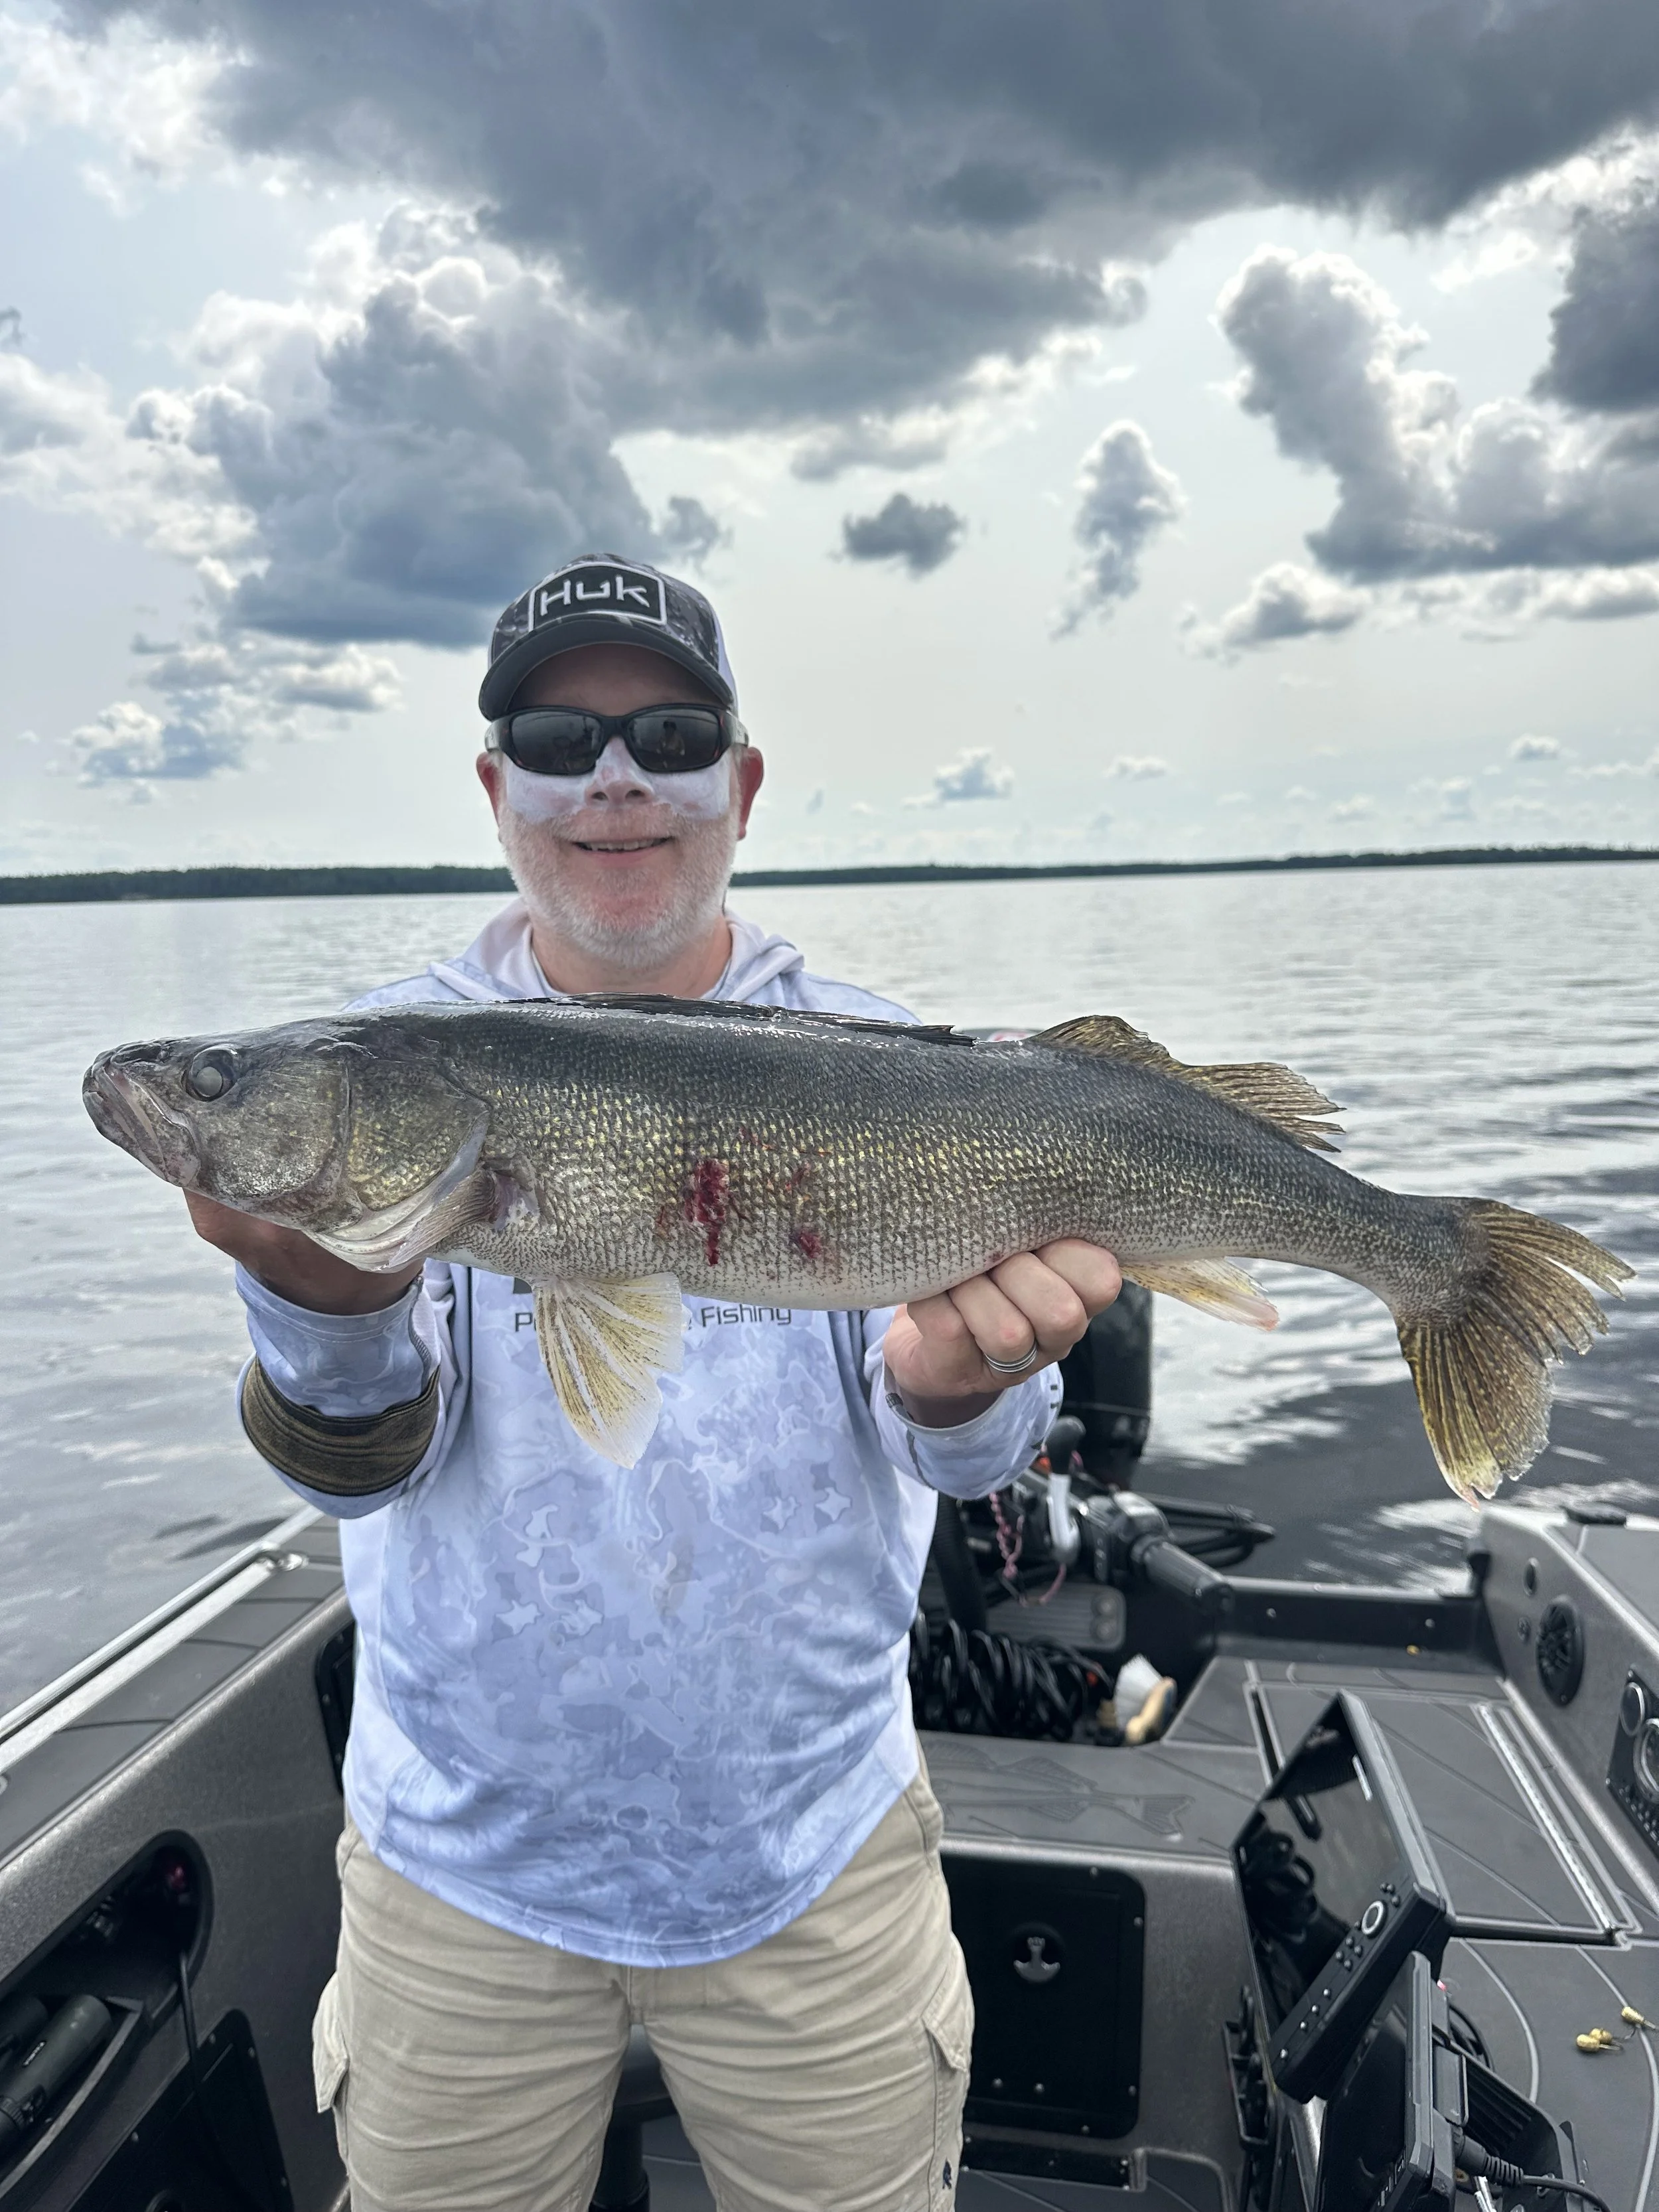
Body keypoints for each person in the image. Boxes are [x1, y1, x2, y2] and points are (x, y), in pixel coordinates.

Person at [186, 554, 1122, 2212]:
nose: (613, 776)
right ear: (498, 789)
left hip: (810, 1856)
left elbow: (973, 1463)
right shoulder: (398, 1063)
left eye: (668, 731)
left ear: (738, 786)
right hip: (454, 1870)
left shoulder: (889, 1061)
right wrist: (314, 1307)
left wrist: (963, 1387)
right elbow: (352, 1471)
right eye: (557, 736)